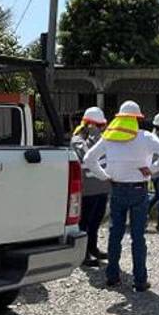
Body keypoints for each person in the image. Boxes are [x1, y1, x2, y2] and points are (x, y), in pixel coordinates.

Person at [83, 100, 159, 292]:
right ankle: (140, 281)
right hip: (139, 190)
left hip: (117, 189)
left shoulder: (108, 137)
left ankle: (112, 277)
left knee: (115, 235)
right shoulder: (145, 137)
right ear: (137, 119)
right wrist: (152, 169)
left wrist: (104, 175)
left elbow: (88, 159)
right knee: (138, 237)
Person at [70, 106, 110, 265]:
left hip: (102, 187)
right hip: (87, 190)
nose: (102, 129)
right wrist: (94, 135)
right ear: (90, 124)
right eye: (99, 126)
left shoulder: (102, 138)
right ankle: (83, 254)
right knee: (84, 222)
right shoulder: (77, 139)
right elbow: (87, 156)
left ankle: (93, 247)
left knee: (96, 221)